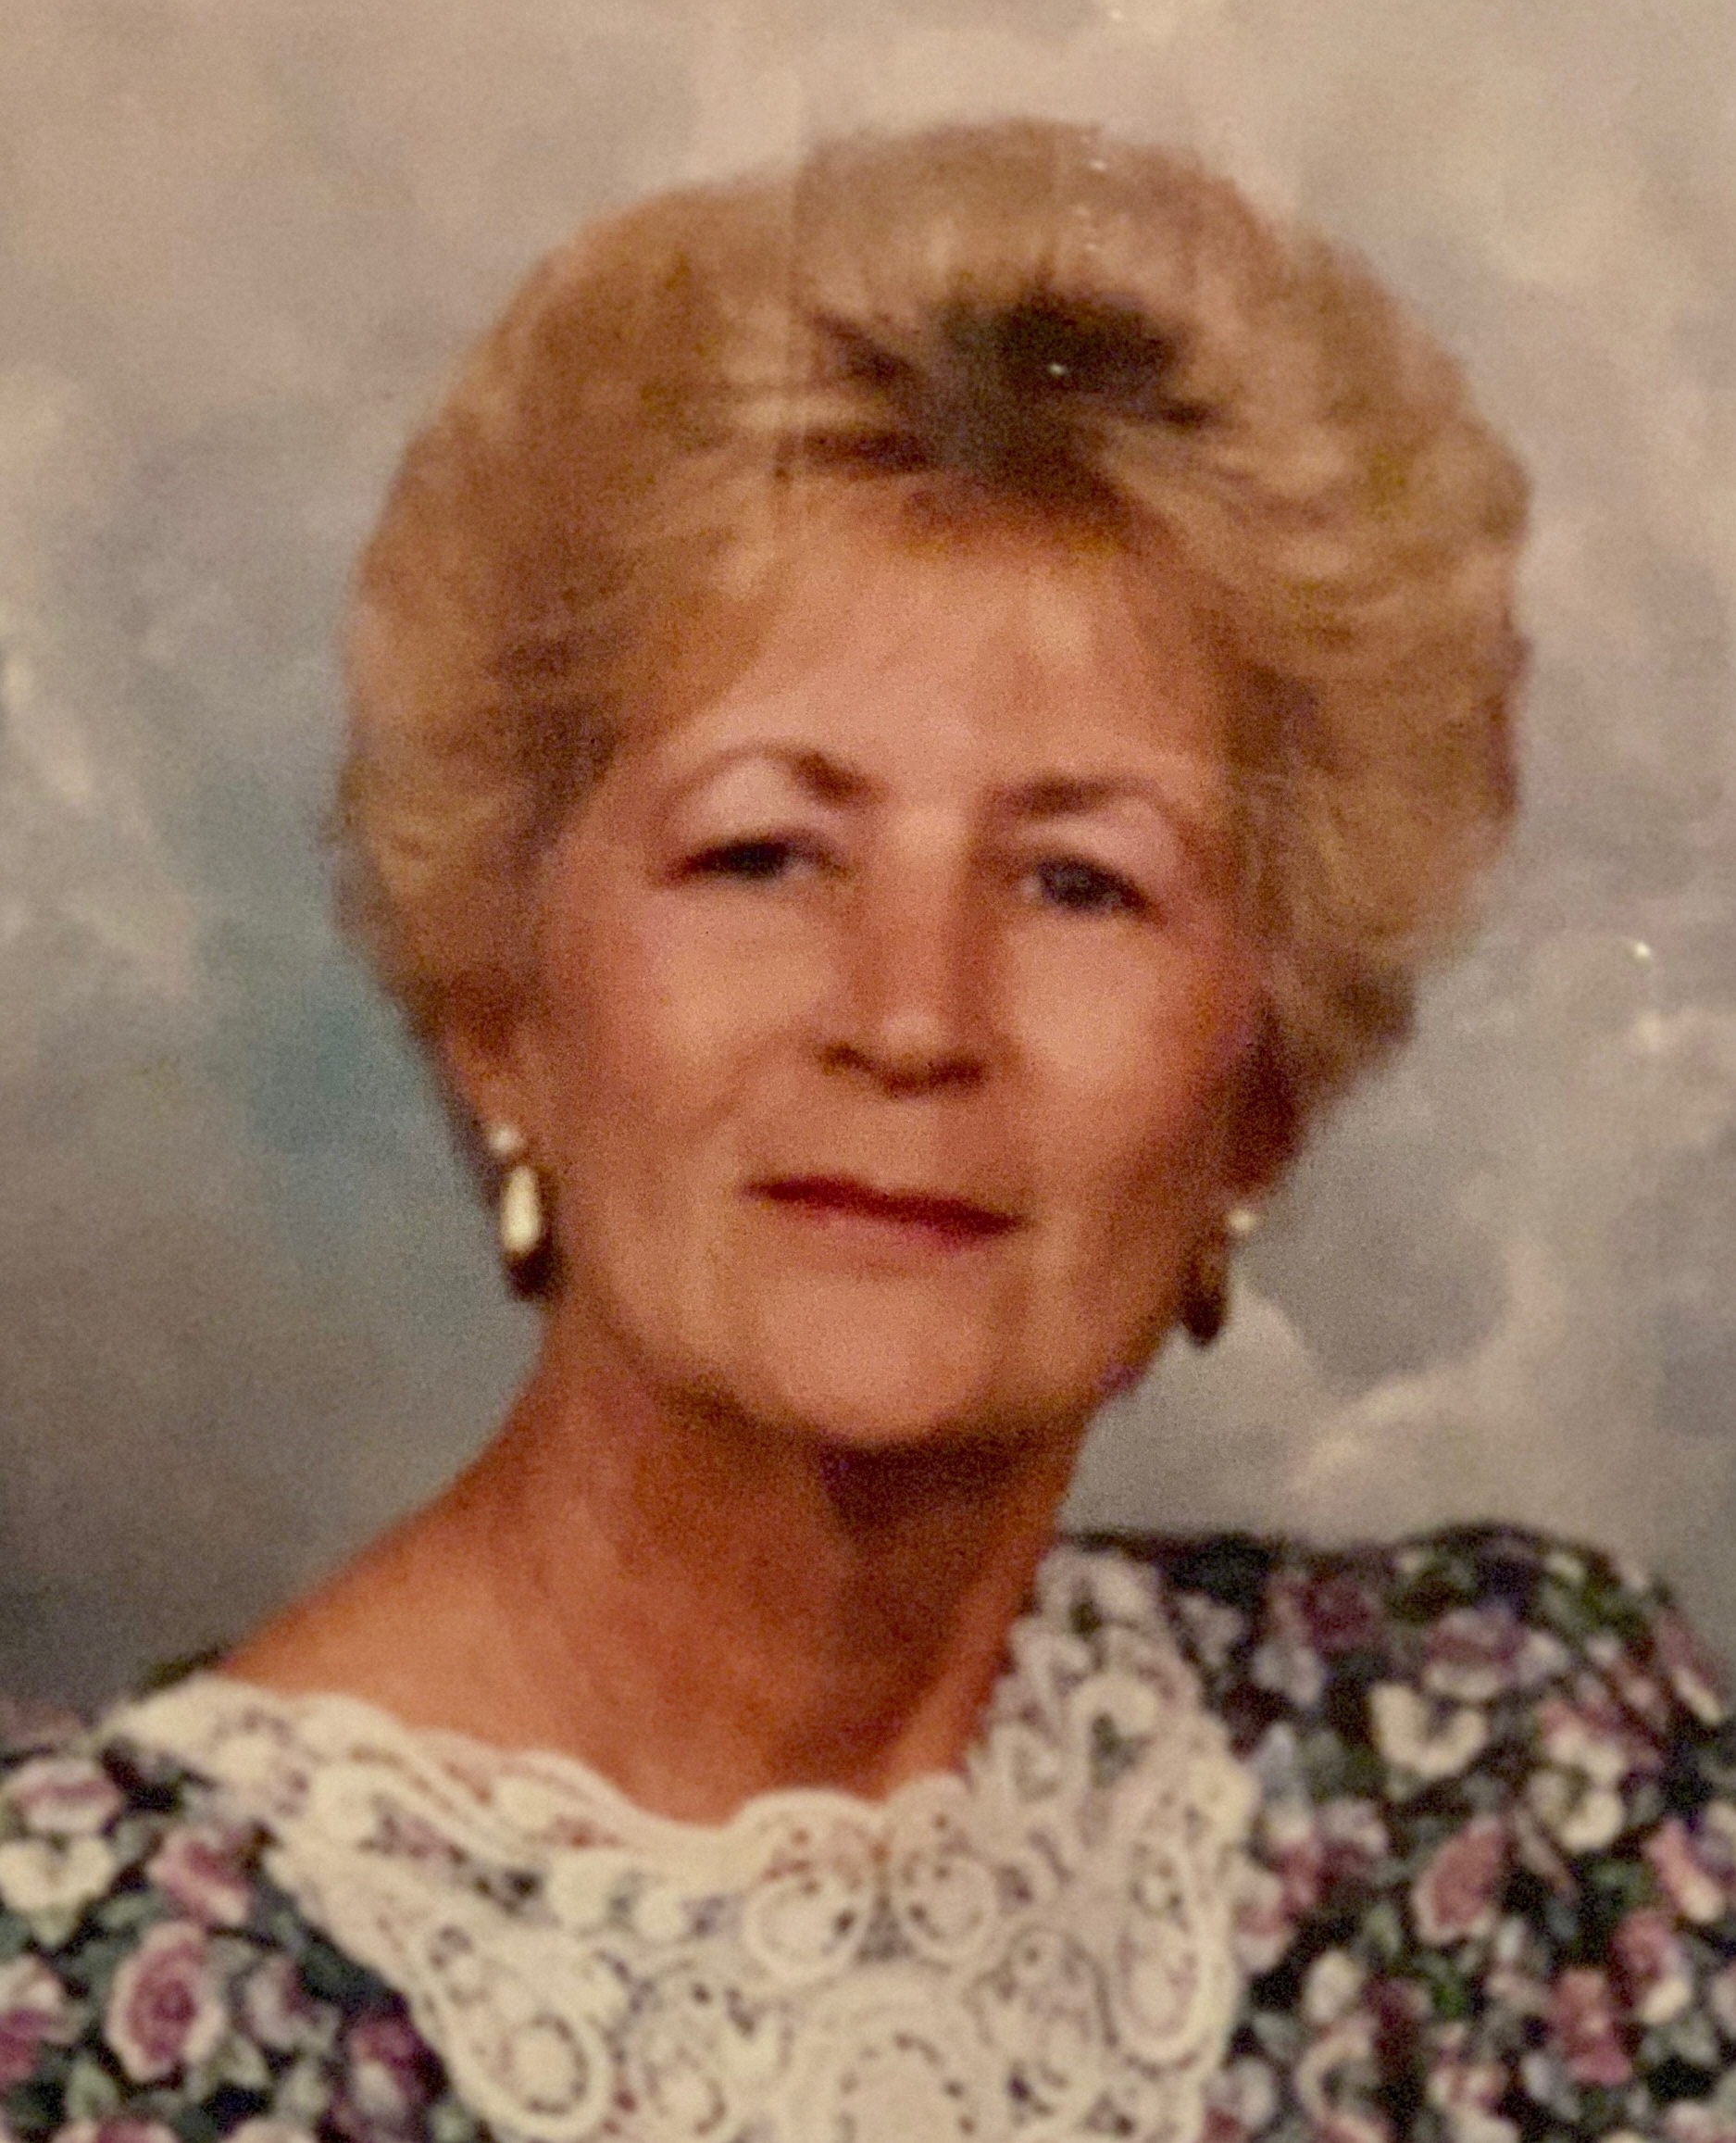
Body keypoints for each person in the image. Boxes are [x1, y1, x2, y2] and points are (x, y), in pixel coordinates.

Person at [2, 119, 1731, 2143]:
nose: (913, 1019)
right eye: (762, 853)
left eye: (1080, 882)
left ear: (1258, 1097)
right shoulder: (76, 2010)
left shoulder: (1520, 1810)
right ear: (501, 1014)